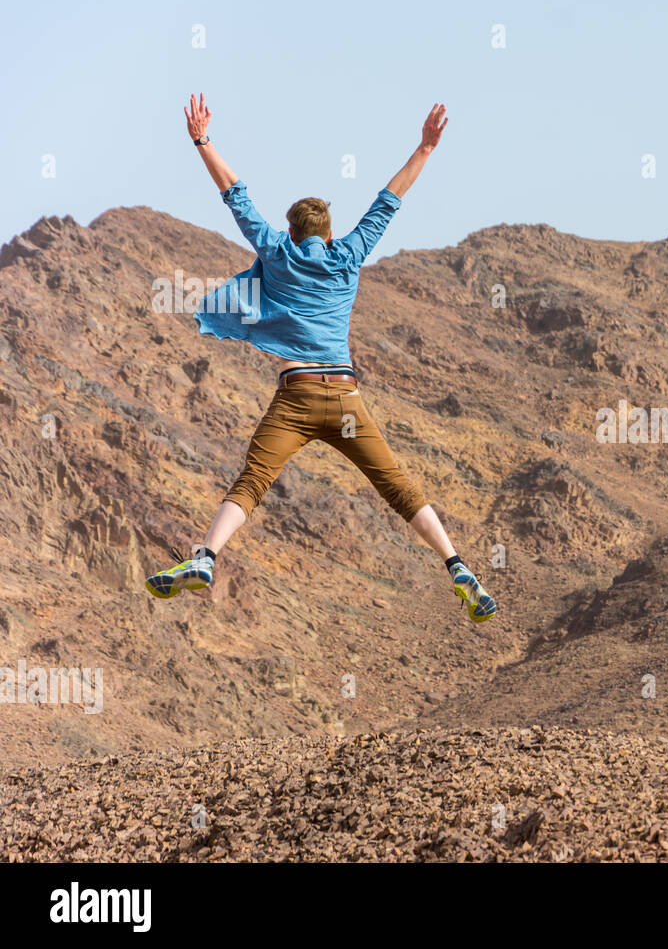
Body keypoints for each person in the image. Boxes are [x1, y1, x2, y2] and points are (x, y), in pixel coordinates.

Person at [145, 94, 496, 623]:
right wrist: (424, 147)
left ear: (291, 233)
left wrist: (202, 139)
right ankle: (458, 567)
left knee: (252, 481)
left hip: (297, 397)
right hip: (346, 400)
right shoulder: (349, 255)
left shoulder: (276, 250)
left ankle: (207, 557)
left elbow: (234, 195)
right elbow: (388, 200)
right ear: (329, 234)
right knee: (397, 486)